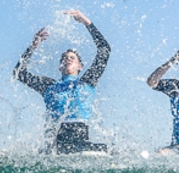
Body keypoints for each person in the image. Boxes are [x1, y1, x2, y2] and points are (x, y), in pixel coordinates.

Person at [13, 10, 111, 153]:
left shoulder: (87, 82)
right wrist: (32, 47)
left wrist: (86, 22)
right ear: (59, 66)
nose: (67, 59)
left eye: (72, 58)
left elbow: (104, 50)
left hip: (82, 142)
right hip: (56, 143)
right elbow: (19, 74)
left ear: (80, 67)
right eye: (64, 58)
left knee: (108, 151)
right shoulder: (49, 86)